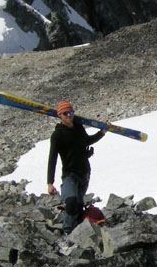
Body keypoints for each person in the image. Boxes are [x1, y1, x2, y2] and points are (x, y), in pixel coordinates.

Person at [47, 100, 113, 233]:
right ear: (60, 115)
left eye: (70, 112)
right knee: (70, 201)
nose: (69, 115)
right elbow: (52, 158)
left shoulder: (78, 128)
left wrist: (102, 132)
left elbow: (87, 141)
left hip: (84, 173)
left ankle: (78, 231)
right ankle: (67, 232)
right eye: (65, 113)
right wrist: (50, 182)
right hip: (69, 174)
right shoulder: (57, 135)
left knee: (78, 205)